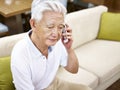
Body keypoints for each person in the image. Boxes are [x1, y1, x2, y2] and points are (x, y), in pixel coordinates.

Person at [11, 0, 92, 90]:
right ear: (34, 24)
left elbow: (73, 70)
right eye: (50, 27)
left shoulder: (58, 42)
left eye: (60, 27)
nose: (56, 34)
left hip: (54, 83)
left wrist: (69, 49)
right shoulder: (20, 54)